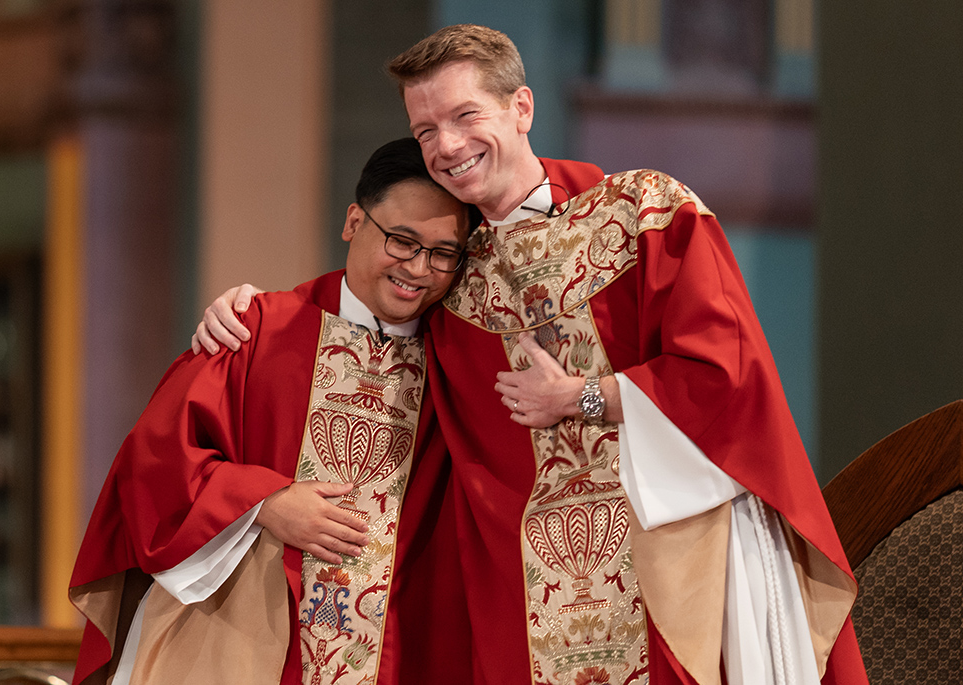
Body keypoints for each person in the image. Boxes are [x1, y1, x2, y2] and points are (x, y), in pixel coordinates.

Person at [194, 25, 869, 685]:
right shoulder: (451, 277)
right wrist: (258, 308)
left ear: (522, 108)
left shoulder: (643, 214)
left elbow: (726, 373)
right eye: (426, 130)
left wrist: (584, 396)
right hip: (522, 597)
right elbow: (368, 332)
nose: (447, 146)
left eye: (465, 115)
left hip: (675, 557)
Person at [68, 138, 475, 685]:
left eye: (443, 253)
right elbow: (152, 463)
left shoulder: (458, 365)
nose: (419, 269)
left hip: (395, 650)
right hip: (236, 639)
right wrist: (263, 502)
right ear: (354, 221)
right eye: (402, 241)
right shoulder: (258, 329)